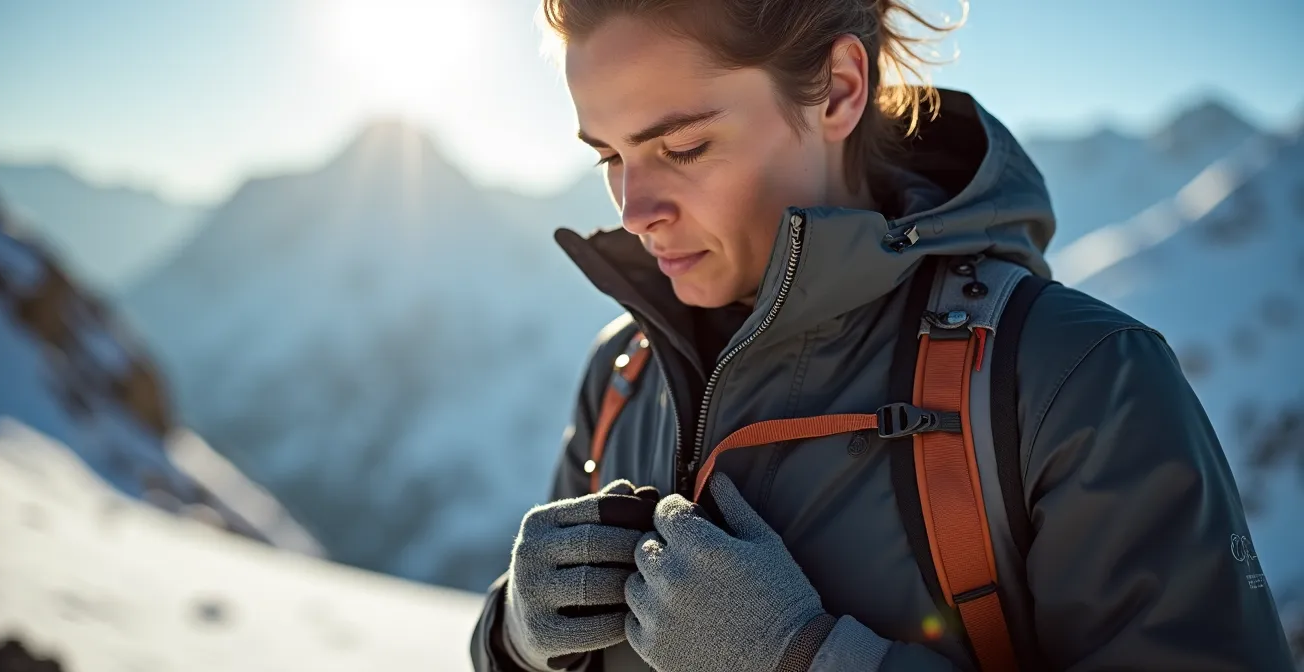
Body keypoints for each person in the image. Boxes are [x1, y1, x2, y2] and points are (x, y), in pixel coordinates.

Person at [470, 0, 1296, 670]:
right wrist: (514, 636)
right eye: (607, 156)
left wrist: (802, 659)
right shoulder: (621, 373)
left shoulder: (1073, 381)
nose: (631, 211)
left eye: (682, 146)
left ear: (836, 88)